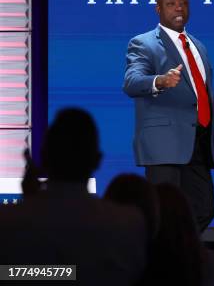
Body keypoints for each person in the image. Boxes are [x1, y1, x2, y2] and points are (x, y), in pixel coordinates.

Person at [123, 0, 214, 233]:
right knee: (163, 215)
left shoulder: (198, 46)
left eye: (183, 3)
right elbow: (131, 82)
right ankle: (160, 264)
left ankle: (176, 256)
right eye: (171, 4)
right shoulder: (143, 43)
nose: (179, 9)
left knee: (204, 209)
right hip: (164, 144)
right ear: (158, 9)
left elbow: (208, 98)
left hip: (199, 142)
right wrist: (160, 81)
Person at [0, 108, 147, 286]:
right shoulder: (130, 225)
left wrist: (29, 206)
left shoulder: (8, 222)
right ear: (98, 160)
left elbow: (11, 274)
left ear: (44, 158)